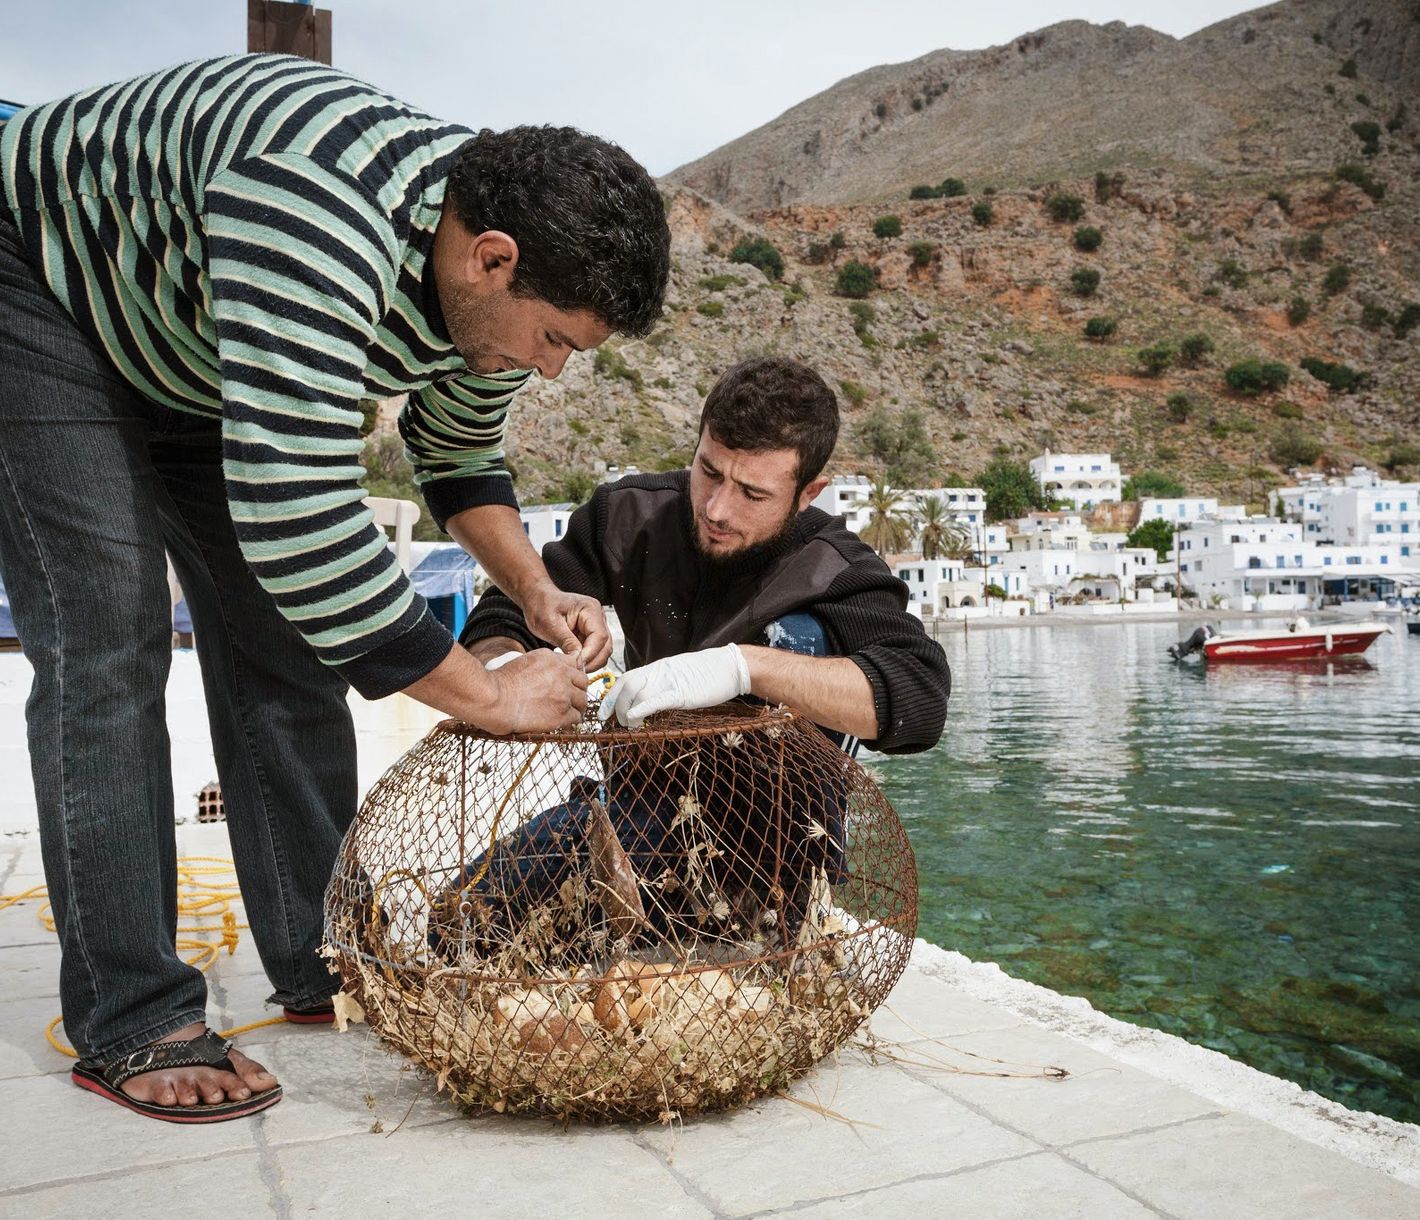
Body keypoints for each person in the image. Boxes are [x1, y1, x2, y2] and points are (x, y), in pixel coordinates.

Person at [0, 53, 667, 1121]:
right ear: (490, 258)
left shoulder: (478, 291)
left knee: (281, 644)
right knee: (110, 628)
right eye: (553, 340)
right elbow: (301, 513)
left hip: (193, 339)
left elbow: (456, 464)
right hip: (42, 284)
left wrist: (536, 589)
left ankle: (325, 958)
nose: (550, 371)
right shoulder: (312, 205)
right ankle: (133, 1016)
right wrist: (489, 694)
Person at [450, 356, 949, 942]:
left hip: (770, 852)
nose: (717, 509)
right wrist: (508, 662)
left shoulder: (838, 570)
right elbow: (504, 612)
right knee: (462, 926)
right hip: (634, 810)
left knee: (807, 636)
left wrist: (745, 666)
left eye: (752, 493)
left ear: (808, 492)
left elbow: (919, 699)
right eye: (709, 472)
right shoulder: (627, 516)